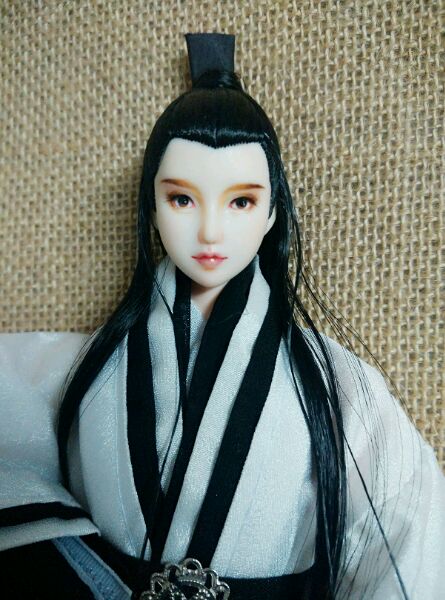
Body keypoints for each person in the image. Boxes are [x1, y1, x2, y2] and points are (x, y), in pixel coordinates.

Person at [0, 33, 444, 600]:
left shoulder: (339, 388)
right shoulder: (91, 369)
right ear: (151, 206)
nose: (210, 231)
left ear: (272, 212)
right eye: (182, 199)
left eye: (241, 201)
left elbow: (407, 533)